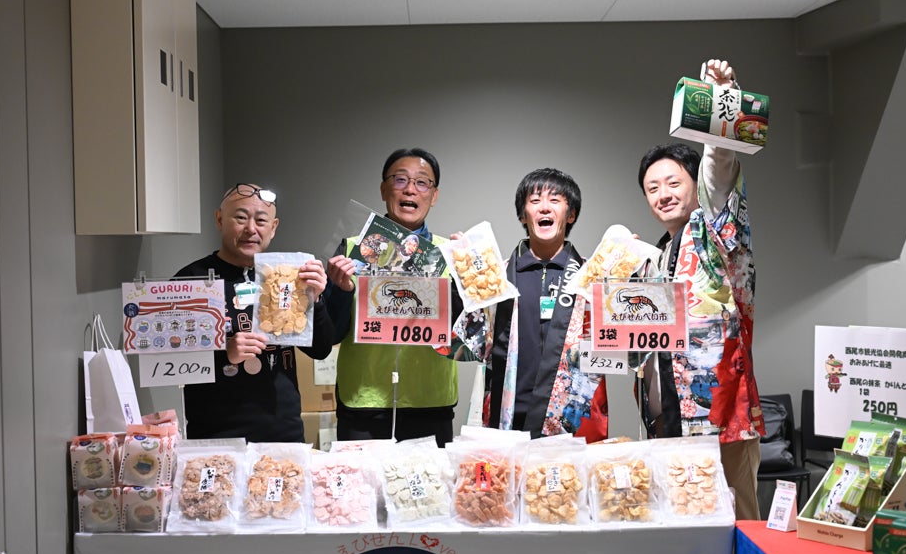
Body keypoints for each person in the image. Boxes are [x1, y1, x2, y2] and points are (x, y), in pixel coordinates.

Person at [637, 59, 764, 520]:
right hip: (665, 418)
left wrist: (719, 103)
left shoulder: (713, 231)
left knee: (735, 523)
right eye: (652, 188)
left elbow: (720, 170)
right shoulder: (654, 258)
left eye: (673, 182)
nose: (663, 194)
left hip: (720, 415)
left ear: (695, 187)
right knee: (679, 530)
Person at [174, 183, 334, 442]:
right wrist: (224, 352)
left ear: (273, 227)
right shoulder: (191, 280)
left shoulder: (289, 276)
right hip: (215, 435)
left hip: (283, 432)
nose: (251, 229)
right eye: (240, 218)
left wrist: (316, 299)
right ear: (219, 219)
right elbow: (169, 362)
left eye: (261, 220)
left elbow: (321, 350)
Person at [324, 148, 461, 447]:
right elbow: (328, 337)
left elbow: (466, 339)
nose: (410, 189)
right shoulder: (352, 250)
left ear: (434, 195)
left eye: (422, 182)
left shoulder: (451, 255)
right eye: (400, 180)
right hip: (363, 403)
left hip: (431, 402)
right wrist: (341, 292)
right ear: (384, 189)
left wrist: (472, 279)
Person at [483, 168, 608, 440]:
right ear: (522, 214)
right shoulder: (497, 277)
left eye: (555, 200)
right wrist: (463, 273)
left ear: (570, 214)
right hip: (509, 416)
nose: (544, 207)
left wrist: (629, 277)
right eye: (535, 200)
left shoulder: (593, 278)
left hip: (572, 420)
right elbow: (473, 345)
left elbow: (621, 347)